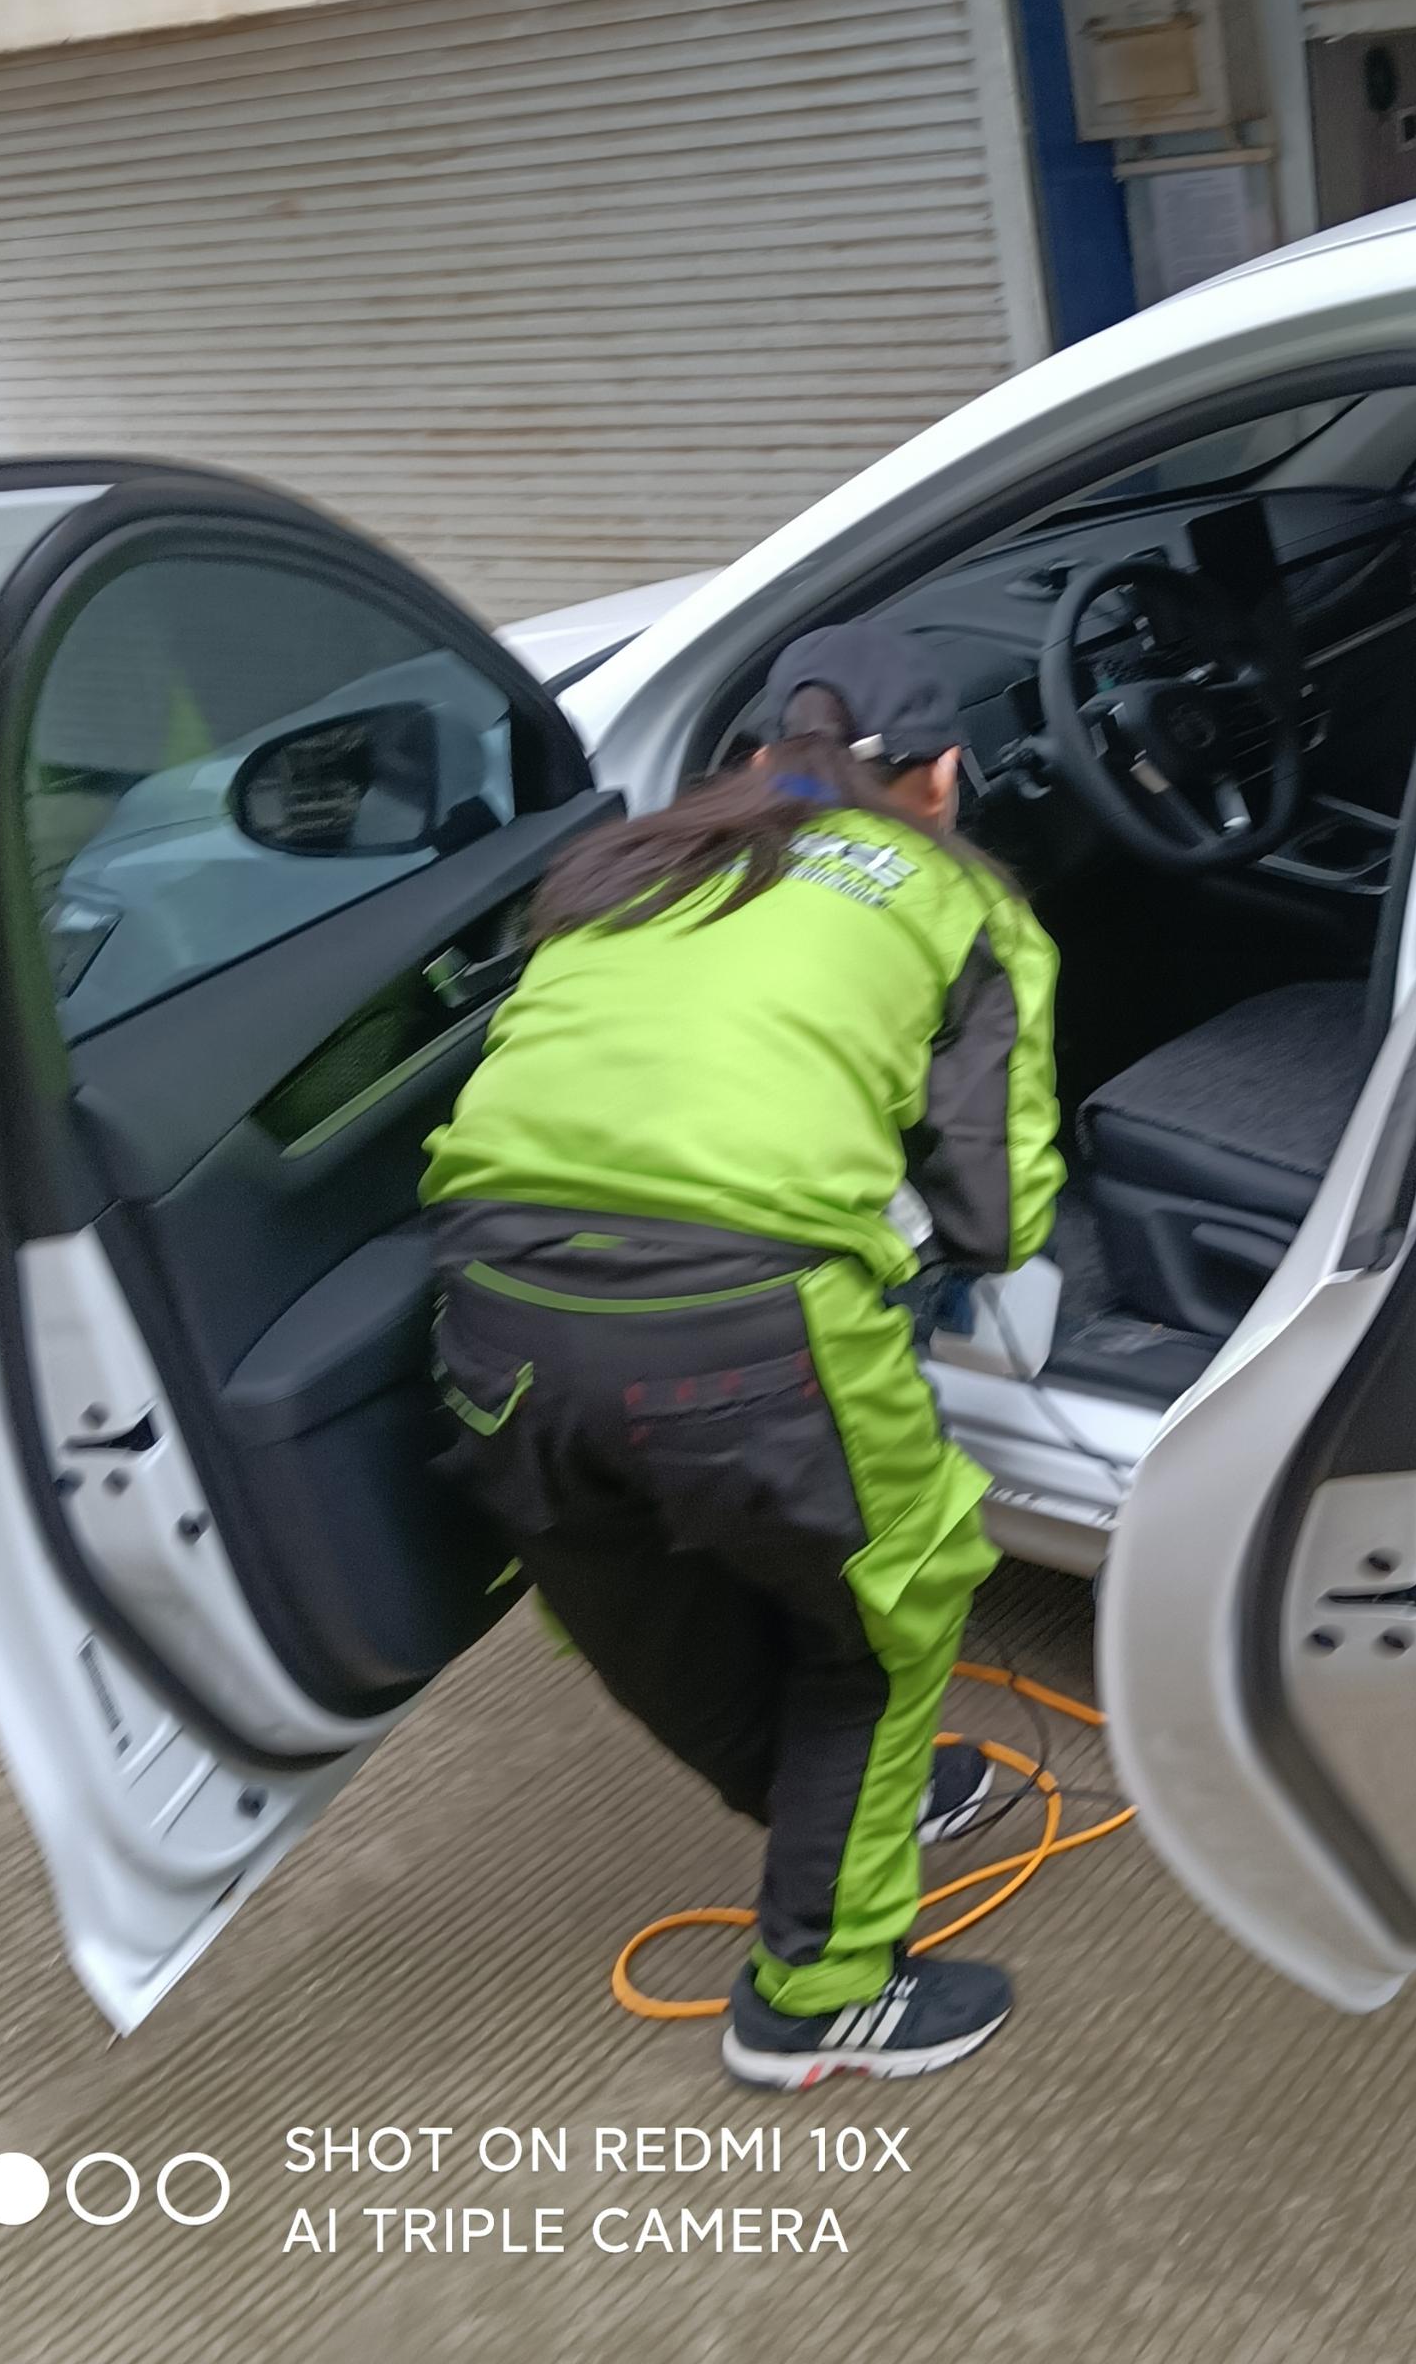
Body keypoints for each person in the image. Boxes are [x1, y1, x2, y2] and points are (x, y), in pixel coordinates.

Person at [420, 620, 1062, 2089]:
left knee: (636, 1601)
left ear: (764, 754)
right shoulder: (960, 899)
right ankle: (817, 1993)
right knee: (893, 1616)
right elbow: (996, 1212)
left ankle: (846, 1810)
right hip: (741, 1331)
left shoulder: (630, 865)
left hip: (491, 1319)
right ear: (942, 778)